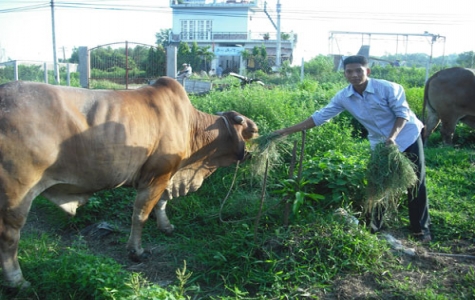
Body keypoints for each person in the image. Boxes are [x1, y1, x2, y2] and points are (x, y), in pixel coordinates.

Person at [273, 55, 431, 242]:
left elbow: (402, 114)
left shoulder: (389, 88)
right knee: (378, 183)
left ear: (367, 71)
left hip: (407, 135)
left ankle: (420, 229)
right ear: (345, 73)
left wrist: (392, 137)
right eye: (349, 71)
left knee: (415, 182)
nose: (354, 75)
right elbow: (319, 117)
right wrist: (286, 131)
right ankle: (374, 227)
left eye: (358, 71)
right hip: (380, 143)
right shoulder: (344, 97)